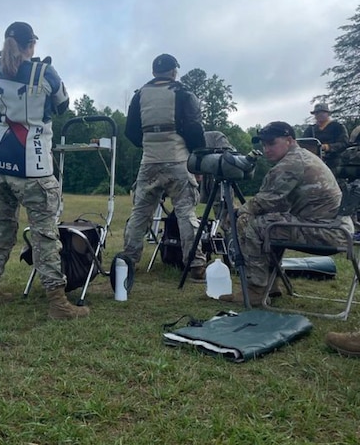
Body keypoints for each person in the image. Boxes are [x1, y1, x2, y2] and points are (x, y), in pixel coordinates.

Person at [0, 21, 88, 321]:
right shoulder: (45, 73)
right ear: (31, 45)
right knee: (45, 234)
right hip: (34, 164)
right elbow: (63, 104)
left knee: (0, 226)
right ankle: (57, 301)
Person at [225, 121, 354, 307]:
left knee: (249, 223)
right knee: (271, 222)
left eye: (271, 143)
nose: (266, 149)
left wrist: (237, 213)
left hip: (327, 233)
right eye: (264, 145)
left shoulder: (291, 163)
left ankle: (256, 289)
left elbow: (265, 201)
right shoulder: (301, 156)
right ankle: (271, 285)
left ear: (289, 140)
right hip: (334, 228)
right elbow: (276, 204)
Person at [122, 53, 207, 281]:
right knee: (185, 212)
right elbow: (194, 129)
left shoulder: (139, 95)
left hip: (149, 161)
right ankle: (195, 264)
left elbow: (130, 130)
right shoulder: (183, 93)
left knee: (140, 212)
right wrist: (197, 160)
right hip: (178, 159)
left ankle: (128, 260)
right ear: (173, 71)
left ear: (153, 72)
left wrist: (149, 143)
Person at [302, 103, 349, 175]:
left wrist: (327, 147)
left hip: (334, 161)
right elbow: (303, 144)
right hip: (314, 161)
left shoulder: (338, 127)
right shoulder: (310, 129)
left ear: (328, 114)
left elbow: (344, 143)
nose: (319, 115)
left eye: (322, 112)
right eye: (317, 113)